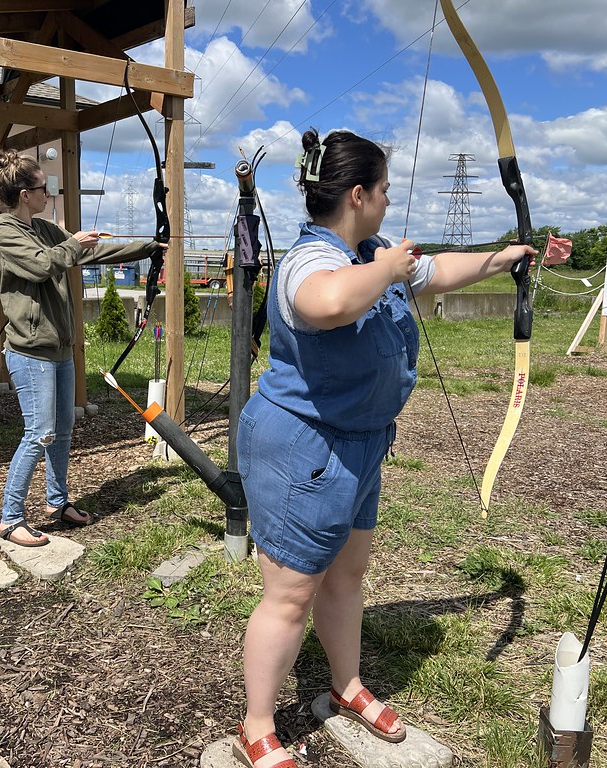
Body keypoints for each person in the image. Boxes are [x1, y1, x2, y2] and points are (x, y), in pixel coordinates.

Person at [233, 128, 563, 767]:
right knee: (291, 595)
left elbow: (441, 270)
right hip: (301, 447)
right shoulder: (310, 260)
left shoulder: (376, 251)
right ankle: (258, 725)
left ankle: (347, 684)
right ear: (357, 195)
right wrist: (383, 268)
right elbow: (327, 303)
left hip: (358, 447)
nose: (388, 201)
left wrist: (514, 255)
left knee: (348, 576)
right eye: (383, 190)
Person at [0, 149, 167, 547]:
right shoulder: (5, 230)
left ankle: (57, 501)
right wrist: (75, 244)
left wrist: (150, 247)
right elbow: (40, 266)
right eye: (42, 189)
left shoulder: (42, 228)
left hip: (61, 349)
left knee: (63, 429)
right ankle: (10, 518)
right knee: (39, 432)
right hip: (31, 351)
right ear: (23, 194)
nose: (47, 194)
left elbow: (89, 252)